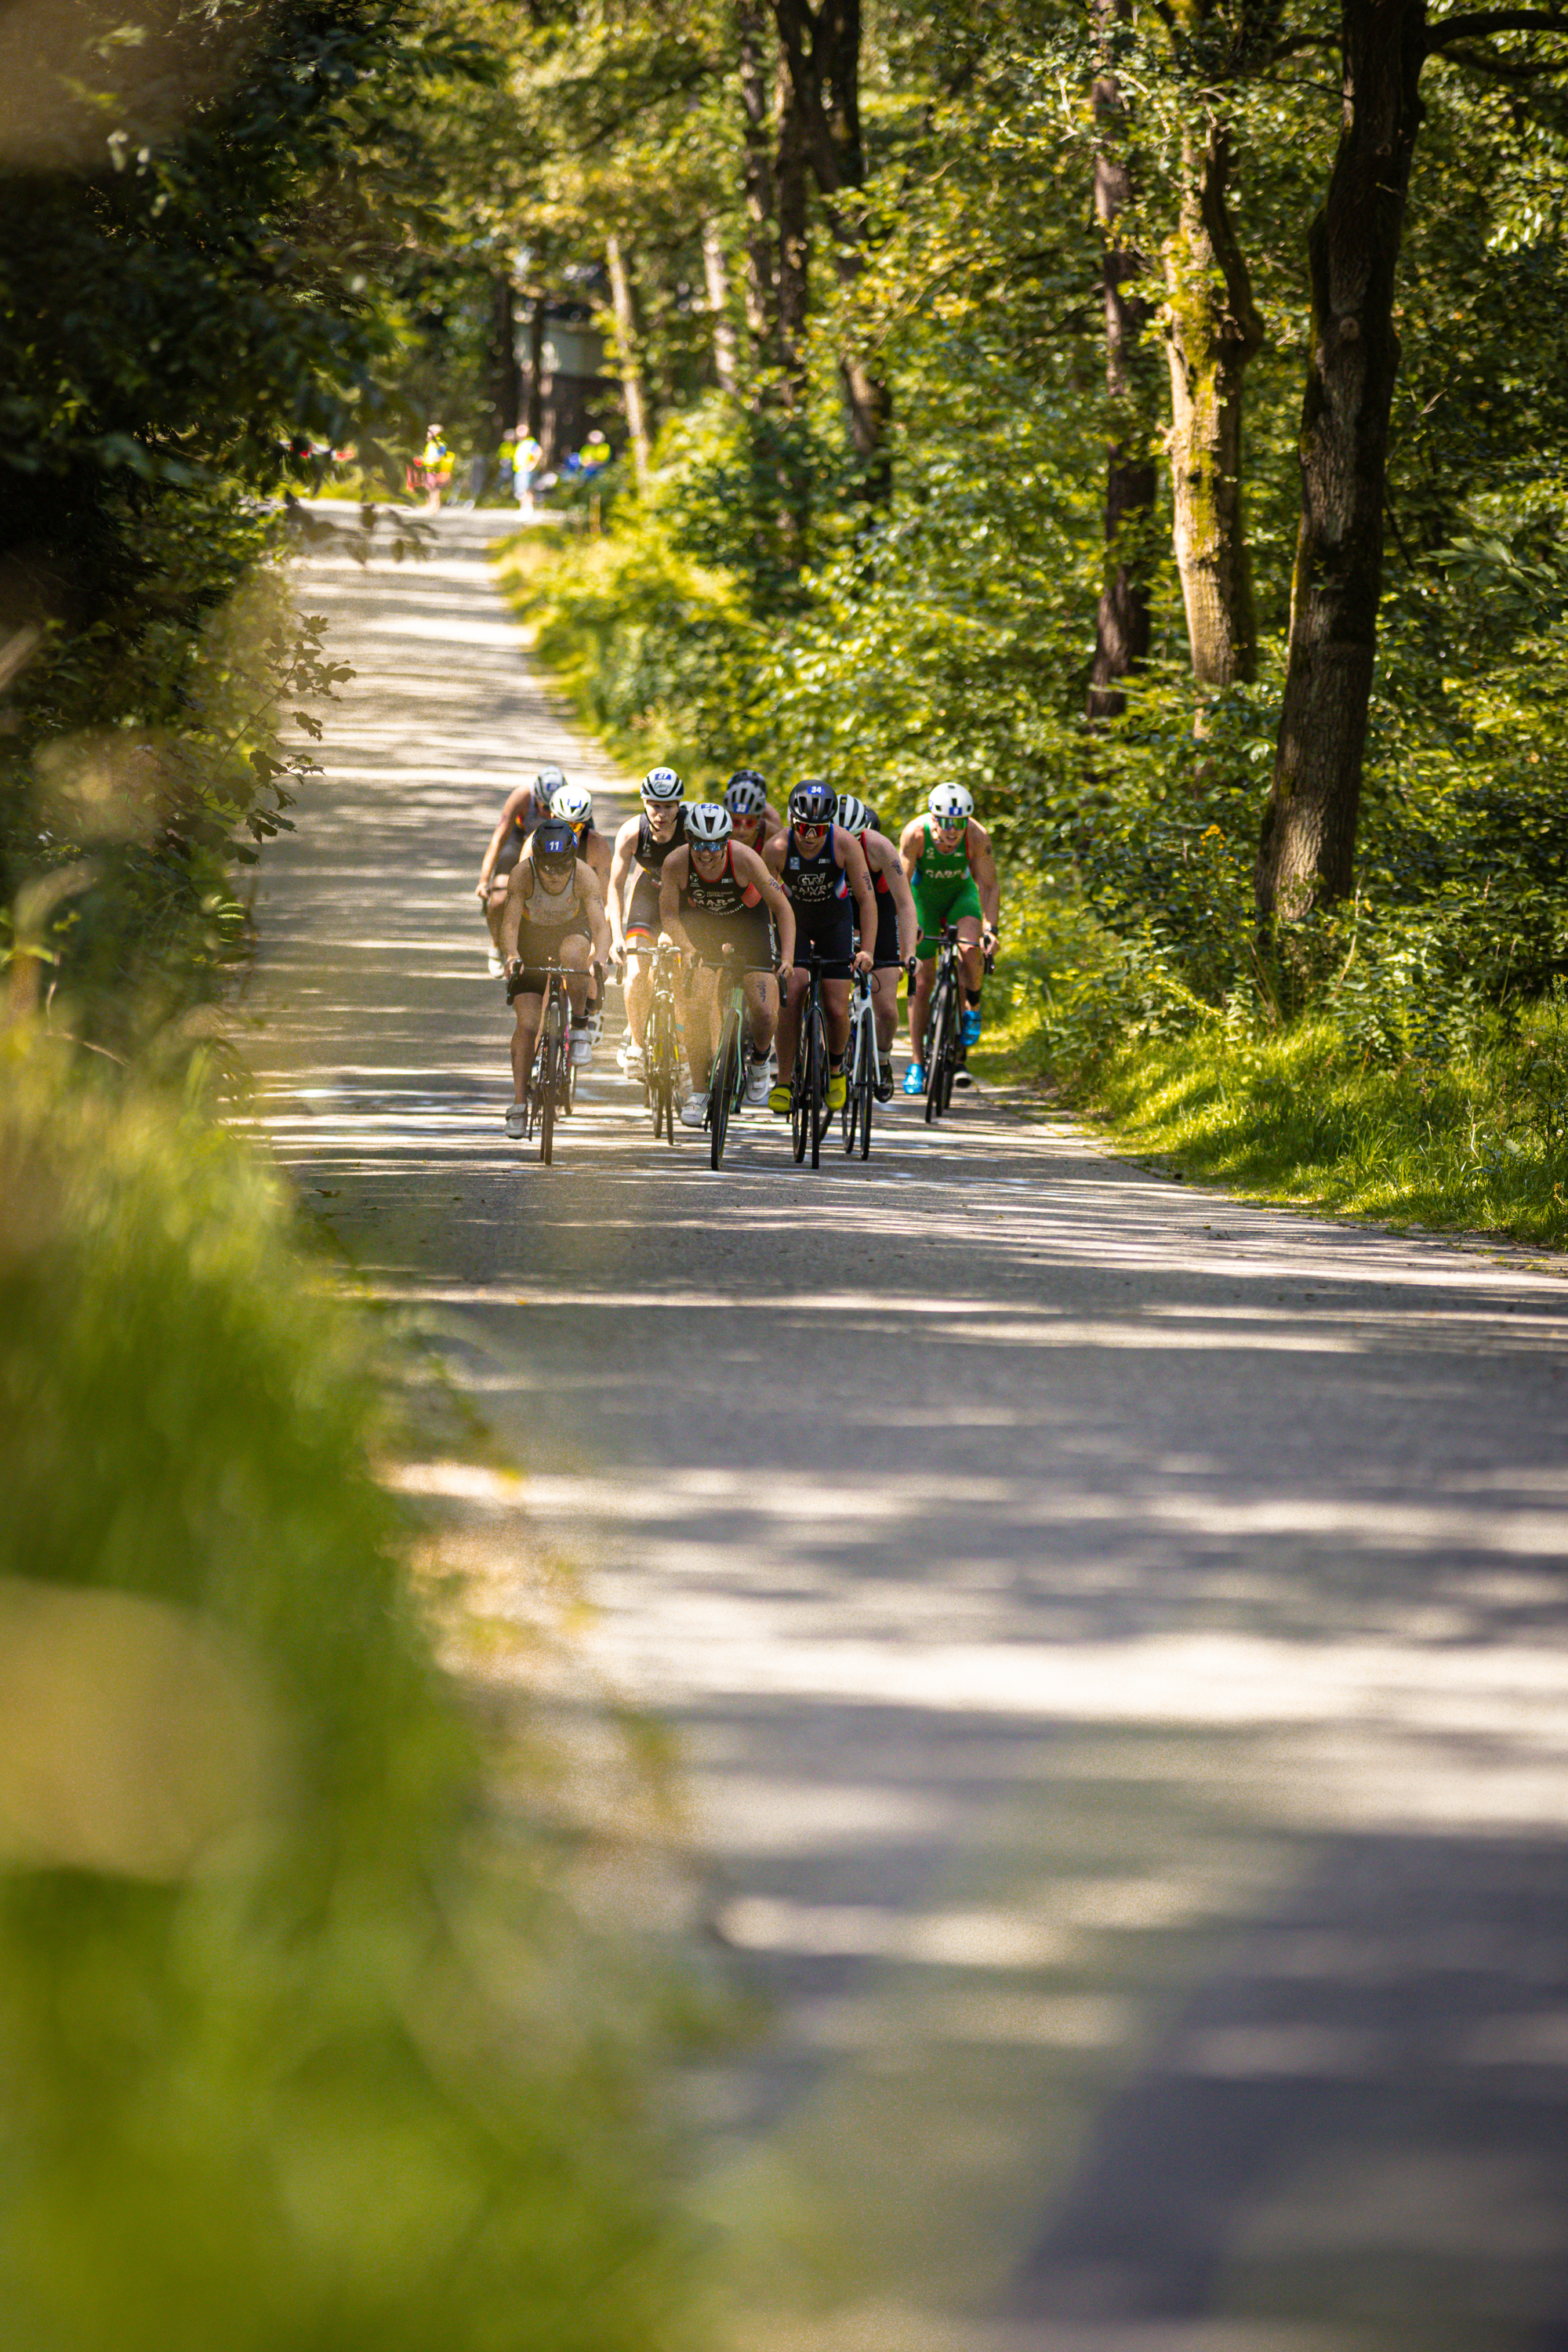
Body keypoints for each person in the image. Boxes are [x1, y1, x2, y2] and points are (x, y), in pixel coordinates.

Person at [659, 803, 797, 1124]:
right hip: (704, 926)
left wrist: (787, 957)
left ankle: (761, 1059)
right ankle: (698, 1089)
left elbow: (783, 909)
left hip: (750, 923)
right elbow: (669, 915)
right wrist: (688, 948)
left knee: (764, 1008)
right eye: (699, 844)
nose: (706, 854)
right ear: (688, 840)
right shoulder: (676, 863)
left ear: (726, 841)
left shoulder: (745, 859)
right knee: (695, 1006)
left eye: (714, 845)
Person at [764, 780, 877, 1116]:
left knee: (836, 1004)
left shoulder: (844, 845)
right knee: (794, 989)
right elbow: (765, 906)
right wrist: (774, 951)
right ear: (790, 821)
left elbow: (867, 900)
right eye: (802, 827)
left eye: (818, 829)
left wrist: (867, 950)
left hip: (834, 922)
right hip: (793, 923)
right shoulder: (777, 848)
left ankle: (836, 1070)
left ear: (829, 826)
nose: (810, 836)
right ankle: (784, 1079)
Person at [499, 818, 611, 1137]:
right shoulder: (523, 874)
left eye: (560, 867)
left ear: (571, 860)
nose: (553, 875)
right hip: (532, 939)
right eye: (546, 868)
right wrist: (511, 955)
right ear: (535, 859)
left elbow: (601, 927)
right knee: (528, 1024)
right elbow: (509, 925)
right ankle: (519, 1105)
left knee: (574, 954)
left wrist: (599, 960)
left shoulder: (584, 875)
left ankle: (578, 1025)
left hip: (571, 931)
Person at [900, 782, 1000, 1095]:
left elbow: (989, 886)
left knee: (970, 950)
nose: (953, 831)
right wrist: (905, 928)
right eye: (946, 822)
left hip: (960, 897)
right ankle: (917, 1062)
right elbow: (901, 887)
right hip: (923, 900)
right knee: (922, 978)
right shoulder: (915, 834)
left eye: (959, 823)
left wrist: (991, 929)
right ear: (933, 818)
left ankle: (973, 1004)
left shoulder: (976, 836)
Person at [607, 767, 688, 1079]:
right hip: (648, 895)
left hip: (681, 902)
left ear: (679, 806)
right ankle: (637, 1047)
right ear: (644, 802)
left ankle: (682, 1046)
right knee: (637, 972)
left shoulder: (692, 830)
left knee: (677, 969)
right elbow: (614, 887)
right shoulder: (631, 833)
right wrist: (616, 937)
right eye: (655, 805)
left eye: (669, 806)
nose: (662, 814)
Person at [837, 794, 918, 1098]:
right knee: (830, 993)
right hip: (840, 911)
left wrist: (908, 954)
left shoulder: (880, 848)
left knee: (887, 1011)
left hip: (881, 914)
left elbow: (905, 904)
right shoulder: (818, 846)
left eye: (855, 839)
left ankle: (882, 1061)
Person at [476, 765, 568, 975]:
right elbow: (499, 837)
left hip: (553, 845)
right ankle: (496, 945)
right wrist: (484, 880)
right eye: (543, 806)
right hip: (521, 840)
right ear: (535, 796)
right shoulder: (522, 796)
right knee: (500, 897)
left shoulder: (570, 799)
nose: (547, 812)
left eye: (552, 807)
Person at [723, 769, 785, 856]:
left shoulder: (770, 828)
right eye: (735, 823)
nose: (742, 830)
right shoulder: (719, 828)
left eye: (749, 823)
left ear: (759, 820)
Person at [514, 428, 543, 515]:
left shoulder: (529, 442)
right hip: (519, 470)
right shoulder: (521, 443)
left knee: (524, 490)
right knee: (522, 490)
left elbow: (538, 452)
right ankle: (524, 509)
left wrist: (533, 463)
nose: (519, 432)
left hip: (525, 470)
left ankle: (526, 510)